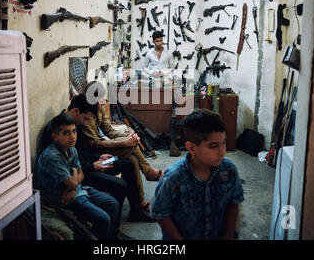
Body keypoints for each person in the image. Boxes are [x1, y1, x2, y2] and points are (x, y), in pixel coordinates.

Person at [150, 109, 244, 240]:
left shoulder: (229, 170)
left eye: (223, 143)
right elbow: (160, 214)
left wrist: (227, 236)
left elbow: (233, 204)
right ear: (192, 148)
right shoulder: (173, 179)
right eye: (213, 146)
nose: (222, 152)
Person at [77, 81, 163, 220]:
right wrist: (125, 142)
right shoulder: (86, 113)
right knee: (131, 146)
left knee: (132, 157)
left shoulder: (98, 108)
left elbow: (109, 130)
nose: (102, 104)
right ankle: (149, 173)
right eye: (99, 101)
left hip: (101, 147)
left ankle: (139, 206)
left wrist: (127, 136)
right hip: (95, 156)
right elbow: (94, 144)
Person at [36, 113, 119, 240]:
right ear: (55, 137)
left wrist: (72, 185)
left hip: (77, 191)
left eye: (74, 131)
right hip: (61, 199)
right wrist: (74, 178)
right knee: (103, 218)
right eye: (66, 133)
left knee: (113, 204)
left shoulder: (71, 149)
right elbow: (75, 179)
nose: (72, 136)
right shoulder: (51, 156)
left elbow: (81, 175)